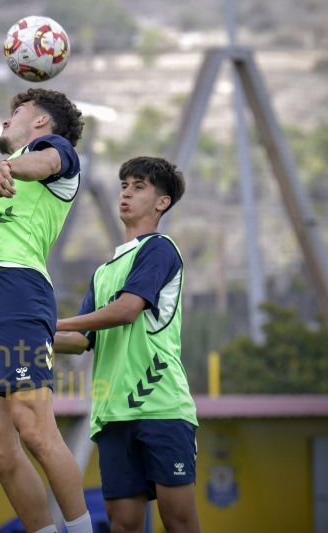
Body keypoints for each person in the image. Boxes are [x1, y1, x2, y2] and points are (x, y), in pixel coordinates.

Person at [0, 88, 92, 533]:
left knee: (33, 426)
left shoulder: (53, 154)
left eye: (17, 112)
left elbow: (44, 164)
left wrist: (10, 165)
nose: (6, 120)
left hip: (17, 291)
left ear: (42, 123)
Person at [53, 156, 201, 533]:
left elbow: (126, 310)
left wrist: (53, 321)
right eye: (123, 185)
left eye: (138, 187)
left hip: (162, 407)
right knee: (123, 525)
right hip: (113, 414)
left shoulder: (160, 249)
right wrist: (28, 333)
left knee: (179, 522)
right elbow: (79, 340)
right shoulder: (104, 272)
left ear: (161, 202)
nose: (126, 194)